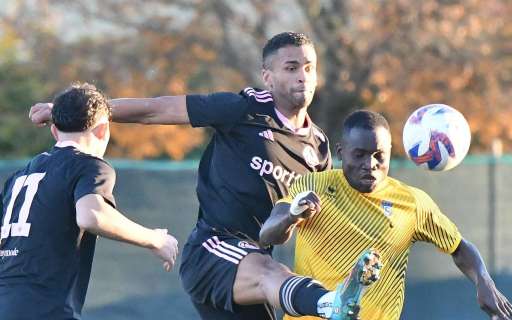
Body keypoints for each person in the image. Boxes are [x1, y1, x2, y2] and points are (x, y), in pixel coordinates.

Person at [29, 32, 378, 320]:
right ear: (268, 77)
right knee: (275, 275)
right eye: (291, 67)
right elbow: (156, 109)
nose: (303, 75)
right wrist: (72, 112)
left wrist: (298, 218)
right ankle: (330, 304)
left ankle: (327, 301)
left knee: (271, 271)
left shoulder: (318, 149)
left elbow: (278, 233)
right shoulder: (242, 108)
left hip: (254, 264)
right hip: (212, 250)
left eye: (309, 67)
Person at [259, 110, 512, 320]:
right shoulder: (313, 185)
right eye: (360, 155)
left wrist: (484, 281)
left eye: (379, 156)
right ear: (341, 152)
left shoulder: (412, 203)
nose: (370, 165)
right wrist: (292, 215)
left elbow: (459, 247)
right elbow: (268, 233)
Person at [1, 83, 179, 319]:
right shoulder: (89, 165)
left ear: (54, 131)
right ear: (103, 129)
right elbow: (92, 215)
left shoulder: (19, 176)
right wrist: (155, 239)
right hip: (45, 308)